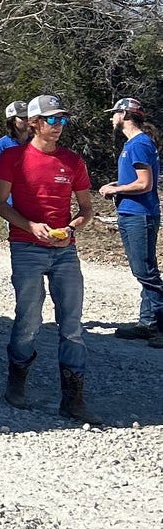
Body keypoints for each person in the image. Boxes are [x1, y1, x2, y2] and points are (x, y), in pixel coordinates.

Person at [0, 93, 101, 421]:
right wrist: (30, 226)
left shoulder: (72, 161)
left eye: (62, 120)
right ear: (35, 123)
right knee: (28, 319)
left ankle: (73, 399)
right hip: (25, 248)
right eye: (52, 120)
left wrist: (70, 228)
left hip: (64, 250)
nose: (59, 126)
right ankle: (17, 383)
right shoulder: (13, 158)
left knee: (72, 325)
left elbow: (86, 209)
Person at [99, 96, 163, 347]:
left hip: (140, 215)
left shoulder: (138, 144)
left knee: (145, 272)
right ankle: (147, 323)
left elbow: (145, 184)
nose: (112, 118)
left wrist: (116, 190)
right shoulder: (135, 144)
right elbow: (137, 180)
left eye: (115, 113)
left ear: (125, 115)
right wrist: (117, 185)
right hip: (130, 213)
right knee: (143, 271)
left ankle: (159, 325)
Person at [0, 100, 30, 188]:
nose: (28, 120)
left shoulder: (37, 143)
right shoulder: (0, 145)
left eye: (29, 117)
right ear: (13, 121)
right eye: (23, 117)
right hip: (10, 201)